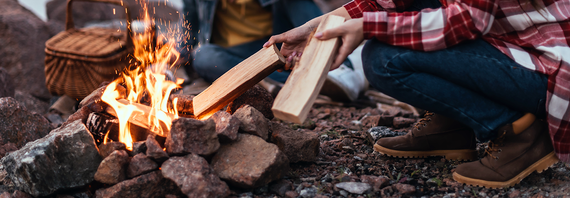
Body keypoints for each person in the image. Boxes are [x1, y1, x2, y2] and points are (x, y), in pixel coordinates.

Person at [264, 0, 570, 188]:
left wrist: (369, 28)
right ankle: (452, 125)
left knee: (384, 58)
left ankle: (521, 130)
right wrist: (312, 29)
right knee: (411, 10)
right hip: (512, 48)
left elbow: (463, 21)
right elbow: (385, 2)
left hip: (550, 72)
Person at [179, 0, 368, 101]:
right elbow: (190, 26)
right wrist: (175, 56)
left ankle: (340, 68)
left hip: (278, 42)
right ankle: (304, 80)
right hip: (236, 56)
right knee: (203, 55)